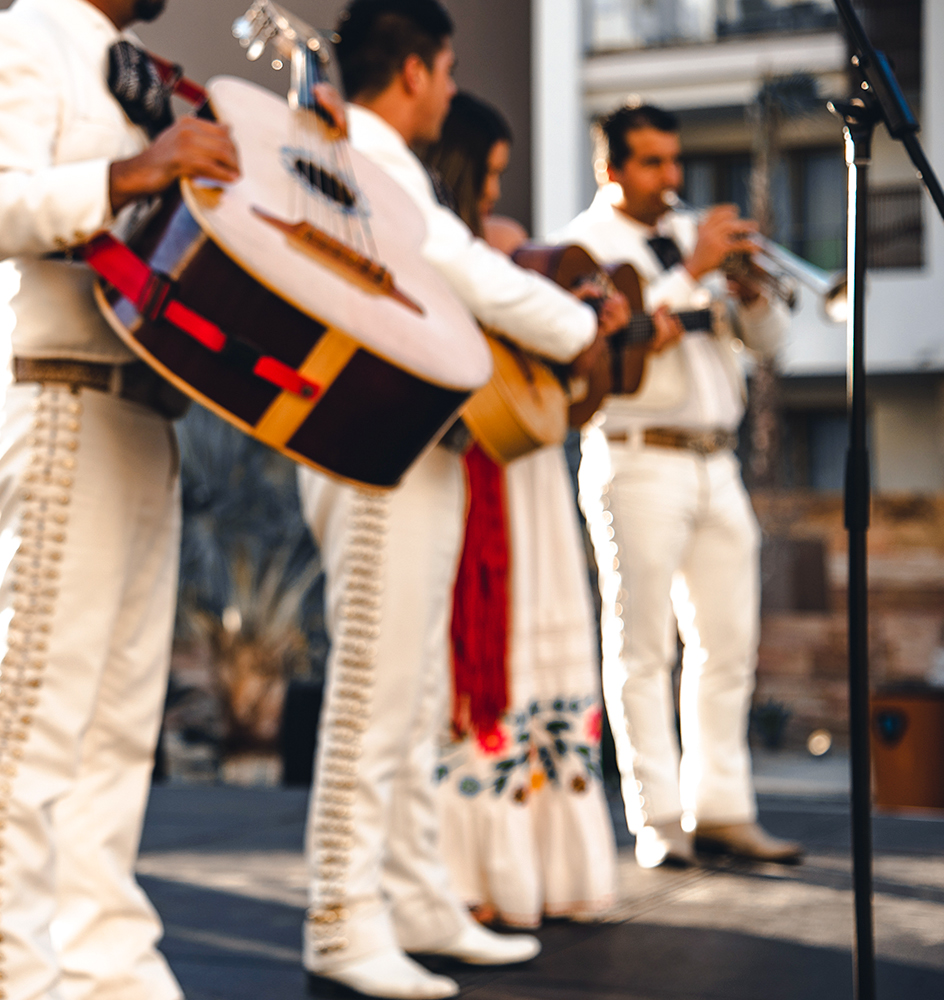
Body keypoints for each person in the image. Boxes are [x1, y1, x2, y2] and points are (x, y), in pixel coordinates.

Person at [297, 4, 629, 997]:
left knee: (413, 699)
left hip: (414, 443)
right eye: (443, 72)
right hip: (369, 440)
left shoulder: (369, 150)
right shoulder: (363, 150)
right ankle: (341, 919)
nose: (450, 91)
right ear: (411, 69)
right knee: (371, 691)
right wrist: (574, 326)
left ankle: (414, 899)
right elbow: (456, 264)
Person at [0, 2, 241, 998]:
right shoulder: (15, 40)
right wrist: (134, 173)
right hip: (63, 394)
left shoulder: (143, 74)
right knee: (41, 711)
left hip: (143, 411)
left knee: (116, 723)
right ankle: (7, 976)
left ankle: (106, 964)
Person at [554, 103, 803, 868]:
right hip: (635, 455)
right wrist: (687, 273)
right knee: (642, 648)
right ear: (612, 169)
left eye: (674, 160)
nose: (672, 177)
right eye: (654, 163)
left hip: (715, 458)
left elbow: (773, 348)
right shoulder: (579, 245)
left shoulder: (693, 238)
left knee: (729, 645)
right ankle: (659, 821)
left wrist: (752, 295)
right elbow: (587, 344)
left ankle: (722, 806)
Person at [424, 93, 627, 928]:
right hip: (468, 472)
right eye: (493, 171)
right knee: (471, 657)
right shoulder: (452, 250)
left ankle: (535, 873)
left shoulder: (513, 251)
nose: (498, 191)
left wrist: (603, 339)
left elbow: (570, 407)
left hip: (531, 474)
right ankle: (470, 874)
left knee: (536, 656)